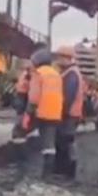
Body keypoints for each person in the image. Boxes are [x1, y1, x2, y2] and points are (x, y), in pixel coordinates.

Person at [25, 46, 63, 178]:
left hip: (42, 112)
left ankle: (22, 162)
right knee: (49, 142)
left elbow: (34, 96)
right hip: (55, 113)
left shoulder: (38, 73)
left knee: (23, 131)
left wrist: (29, 111)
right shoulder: (56, 74)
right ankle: (48, 171)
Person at [54, 45, 84, 180]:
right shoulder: (71, 72)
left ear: (66, 58)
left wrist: (61, 113)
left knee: (65, 142)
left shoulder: (71, 74)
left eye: (59, 56)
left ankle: (66, 172)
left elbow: (68, 96)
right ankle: (65, 171)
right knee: (65, 142)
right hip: (71, 114)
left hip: (69, 115)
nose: (57, 59)